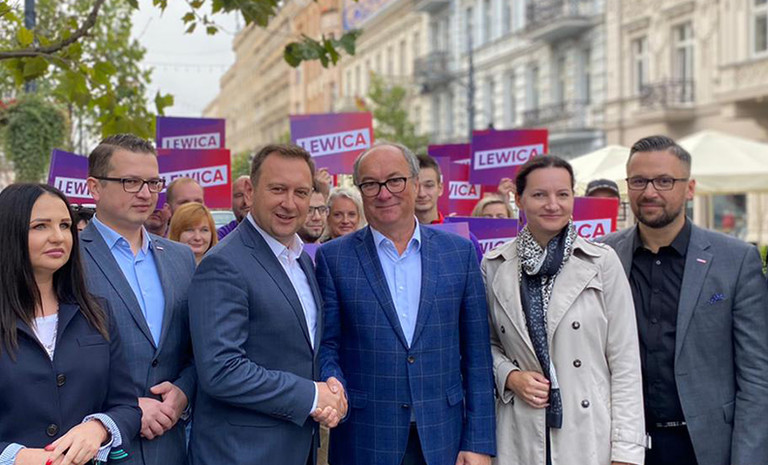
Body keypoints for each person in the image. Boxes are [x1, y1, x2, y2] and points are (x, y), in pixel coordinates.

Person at [316, 142, 496, 465]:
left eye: (395, 181)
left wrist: (479, 442)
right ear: (360, 191)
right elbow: (327, 344)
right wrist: (333, 383)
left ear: (415, 183)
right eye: (371, 184)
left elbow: (477, 357)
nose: (384, 193)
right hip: (365, 436)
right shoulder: (333, 258)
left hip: (444, 437)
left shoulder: (459, 253)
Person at [599, 135, 768, 465]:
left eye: (664, 181)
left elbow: (757, 376)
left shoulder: (735, 260)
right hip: (621, 448)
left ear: (689, 189)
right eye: (639, 181)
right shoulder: (602, 256)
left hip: (705, 448)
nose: (650, 192)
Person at [188, 144, 347, 465]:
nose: (289, 203)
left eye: (301, 192)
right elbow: (221, 370)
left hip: (296, 448)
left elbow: (303, 350)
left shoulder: (301, 259)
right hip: (240, 454)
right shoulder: (224, 263)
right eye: (277, 189)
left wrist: (331, 388)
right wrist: (312, 395)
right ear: (250, 191)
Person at [483, 155, 645, 465]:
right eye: (539, 194)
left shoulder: (601, 262)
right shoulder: (495, 265)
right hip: (519, 431)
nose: (552, 205)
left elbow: (625, 361)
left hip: (588, 434)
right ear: (518, 199)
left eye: (562, 194)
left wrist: (626, 451)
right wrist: (510, 376)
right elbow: (483, 345)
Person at [0, 183, 141, 465]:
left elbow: (126, 406)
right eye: (40, 226)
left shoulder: (96, 312)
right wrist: (17, 457)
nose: (58, 237)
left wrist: (98, 428)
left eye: (65, 225)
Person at [80, 134, 197, 465]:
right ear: (95, 187)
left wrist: (184, 392)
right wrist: (125, 410)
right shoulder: (69, 259)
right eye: (130, 182)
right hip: (101, 448)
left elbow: (199, 347)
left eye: (153, 183)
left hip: (172, 445)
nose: (146, 194)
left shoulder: (181, 258)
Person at [217, 175, 252, 240]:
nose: (246, 201)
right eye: (239, 195)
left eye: (250, 193)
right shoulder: (222, 236)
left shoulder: (271, 232)